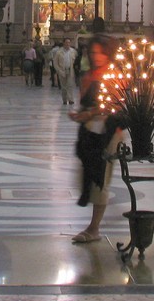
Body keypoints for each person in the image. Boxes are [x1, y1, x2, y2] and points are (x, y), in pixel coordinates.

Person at [68, 31, 124, 244]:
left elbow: (114, 105)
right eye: (92, 52)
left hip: (109, 133)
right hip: (89, 132)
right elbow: (86, 103)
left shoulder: (114, 74)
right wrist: (79, 114)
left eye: (100, 53)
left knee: (101, 178)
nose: (96, 56)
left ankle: (94, 228)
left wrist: (89, 114)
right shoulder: (88, 76)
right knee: (88, 174)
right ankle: (94, 224)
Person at [53, 37, 77, 105]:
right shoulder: (59, 52)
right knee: (63, 86)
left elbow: (75, 60)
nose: (67, 44)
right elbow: (55, 62)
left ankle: (71, 99)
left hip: (70, 70)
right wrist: (58, 70)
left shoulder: (73, 51)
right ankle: (64, 99)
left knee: (70, 85)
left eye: (69, 42)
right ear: (64, 43)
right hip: (62, 70)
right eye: (66, 42)